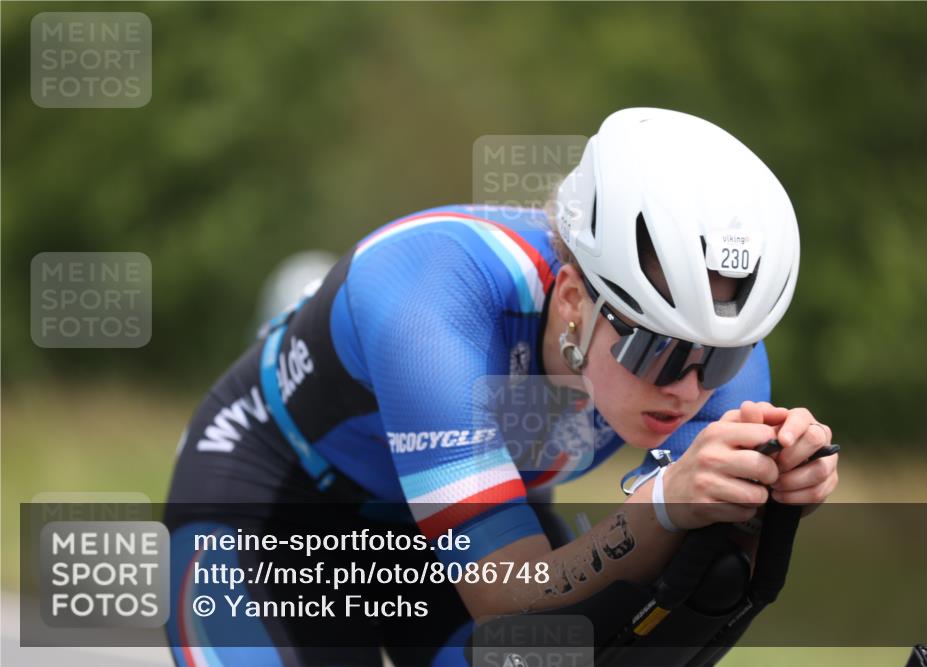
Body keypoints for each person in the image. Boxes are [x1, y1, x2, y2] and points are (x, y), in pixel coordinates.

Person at [163, 107, 839, 667]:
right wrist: (665, 501)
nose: (692, 388)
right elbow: (507, 595)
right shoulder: (436, 293)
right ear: (574, 298)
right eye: (657, 348)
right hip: (275, 515)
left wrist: (766, 507)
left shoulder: (721, 361)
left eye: (720, 358)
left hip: (445, 538)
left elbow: (686, 591)